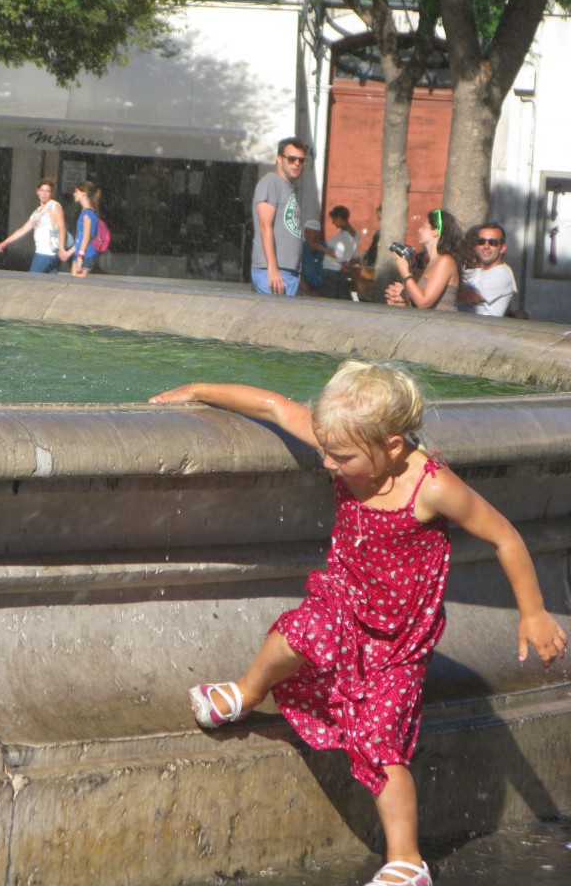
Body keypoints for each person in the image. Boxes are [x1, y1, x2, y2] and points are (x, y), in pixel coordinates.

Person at [148, 361, 567, 886]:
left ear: (392, 445)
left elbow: (504, 535)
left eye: (339, 456)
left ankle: (407, 861)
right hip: (343, 598)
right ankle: (248, 691)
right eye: (325, 449)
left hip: (400, 637)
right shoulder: (345, 442)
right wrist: (199, 387)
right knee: (297, 631)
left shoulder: (432, 486)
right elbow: (275, 407)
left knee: (379, 738)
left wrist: (532, 611)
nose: (326, 462)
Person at [250, 137, 307, 296]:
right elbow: (264, 226)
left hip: (289, 272)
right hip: (273, 272)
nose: (296, 163)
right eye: (292, 158)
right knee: (273, 320)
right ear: (279, 159)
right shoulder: (271, 182)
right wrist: (273, 268)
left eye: (301, 160)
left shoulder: (288, 187)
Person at [386, 209, 462, 311]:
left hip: (443, 324)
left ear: (435, 231)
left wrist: (405, 273)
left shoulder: (445, 261)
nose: (419, 230)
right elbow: (418, 304)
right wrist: (401, 297)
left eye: (424, 227)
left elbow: (423, 302)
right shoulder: (431, 262)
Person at [0, 179, 69, 273]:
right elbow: (22, 230)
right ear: (37, 191)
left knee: (31, 280)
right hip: (43, 251)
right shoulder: (37, 211)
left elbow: (62, 227)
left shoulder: (54, 206)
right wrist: (5, 242)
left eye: (47, 191)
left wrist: (62, 249)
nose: (44, 194)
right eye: (42, 190)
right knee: (51, 282)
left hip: (46, 252)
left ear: (51, 193)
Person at [457, 223, 515, 317]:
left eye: (493, 242)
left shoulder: (502, 276)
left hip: (481, 330)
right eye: (481, 241)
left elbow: (463, 296)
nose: (486, 246)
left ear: (502, 248)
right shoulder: (473, 272)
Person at [319, 205, 360, 299]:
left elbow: (338, 255)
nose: (333, 222)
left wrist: (321, 248)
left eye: (334, 219)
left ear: (340, 218)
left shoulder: (343, 236)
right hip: (341, 272)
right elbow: (353, 256)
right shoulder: (356, 235)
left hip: (331, 271)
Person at [65, 180, 102, 277]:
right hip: (81, 252)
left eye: (76, 191)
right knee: (74, 285)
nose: (74, 194)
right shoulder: (86, 212)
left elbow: (86, 237)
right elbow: (80, 239)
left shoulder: (87, 214)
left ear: (84, 194)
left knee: (77, 286)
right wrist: (68, 253)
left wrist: (80, 258)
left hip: (86, 254)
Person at [299, 219, 324, 296]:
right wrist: (309, 292)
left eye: (315, 233)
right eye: (307, 232)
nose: (310, 235)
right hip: (305, 290)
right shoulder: (300, 248)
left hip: (323, 289)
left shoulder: (325, 248)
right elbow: (298, 274)